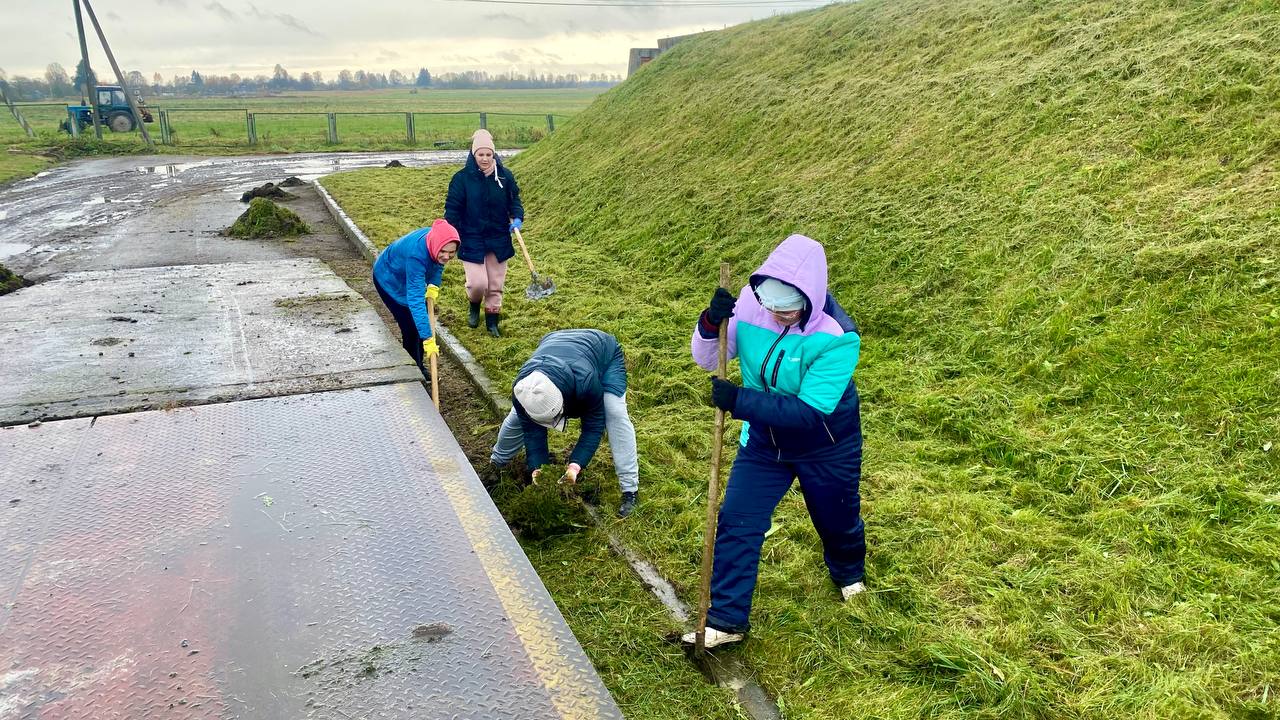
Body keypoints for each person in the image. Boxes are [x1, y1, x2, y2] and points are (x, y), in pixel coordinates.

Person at [682, 234, 865, 649]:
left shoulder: (838, 336)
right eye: (772, 308)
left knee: (836, 520)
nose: (778, 317)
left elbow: (807, 413)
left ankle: (849, 573)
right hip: (763, 443)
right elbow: (709, 360)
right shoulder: (749, 304)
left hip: (826, 443)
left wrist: (740, 401)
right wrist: (709, 324)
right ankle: (727, 620)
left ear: (811, 298)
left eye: (789, 310)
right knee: (737, 520)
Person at [487, 329, 641, 517]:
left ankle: (630, 490)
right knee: (517, 417)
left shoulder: (585, 383)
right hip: (554, 344)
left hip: (602, 350)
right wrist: (538, 469)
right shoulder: (523, 387)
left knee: (614, 412)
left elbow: (593, 428)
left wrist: (575, 466)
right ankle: (496, 465)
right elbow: (532, 432)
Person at [444, 128, 524, 338]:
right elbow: (452, 208)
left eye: (489, 154)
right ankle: (474, 304)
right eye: (481, 154)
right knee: (478, 283)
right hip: (471, 237)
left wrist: (517, 218)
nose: (485, 159)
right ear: (473, 154)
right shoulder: (461, 179)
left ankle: (492, 322)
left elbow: (514, 200)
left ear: (494, 154)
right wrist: (452, 233)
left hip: (498, 237)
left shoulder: (505, 177)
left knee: (495, 285)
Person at [371, 219, 460, 378]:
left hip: (407, 274)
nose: (447, 256)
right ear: (436, 245)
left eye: (451, 253)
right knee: (411, 329)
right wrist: (428, 338)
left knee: (418, 323)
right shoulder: (416, 256)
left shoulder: (438, 241)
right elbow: (416, 301)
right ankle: (413, 372)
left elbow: (437, 263)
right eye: (444, 252)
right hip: (389, 278)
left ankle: (419, 365)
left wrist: (433, 285)